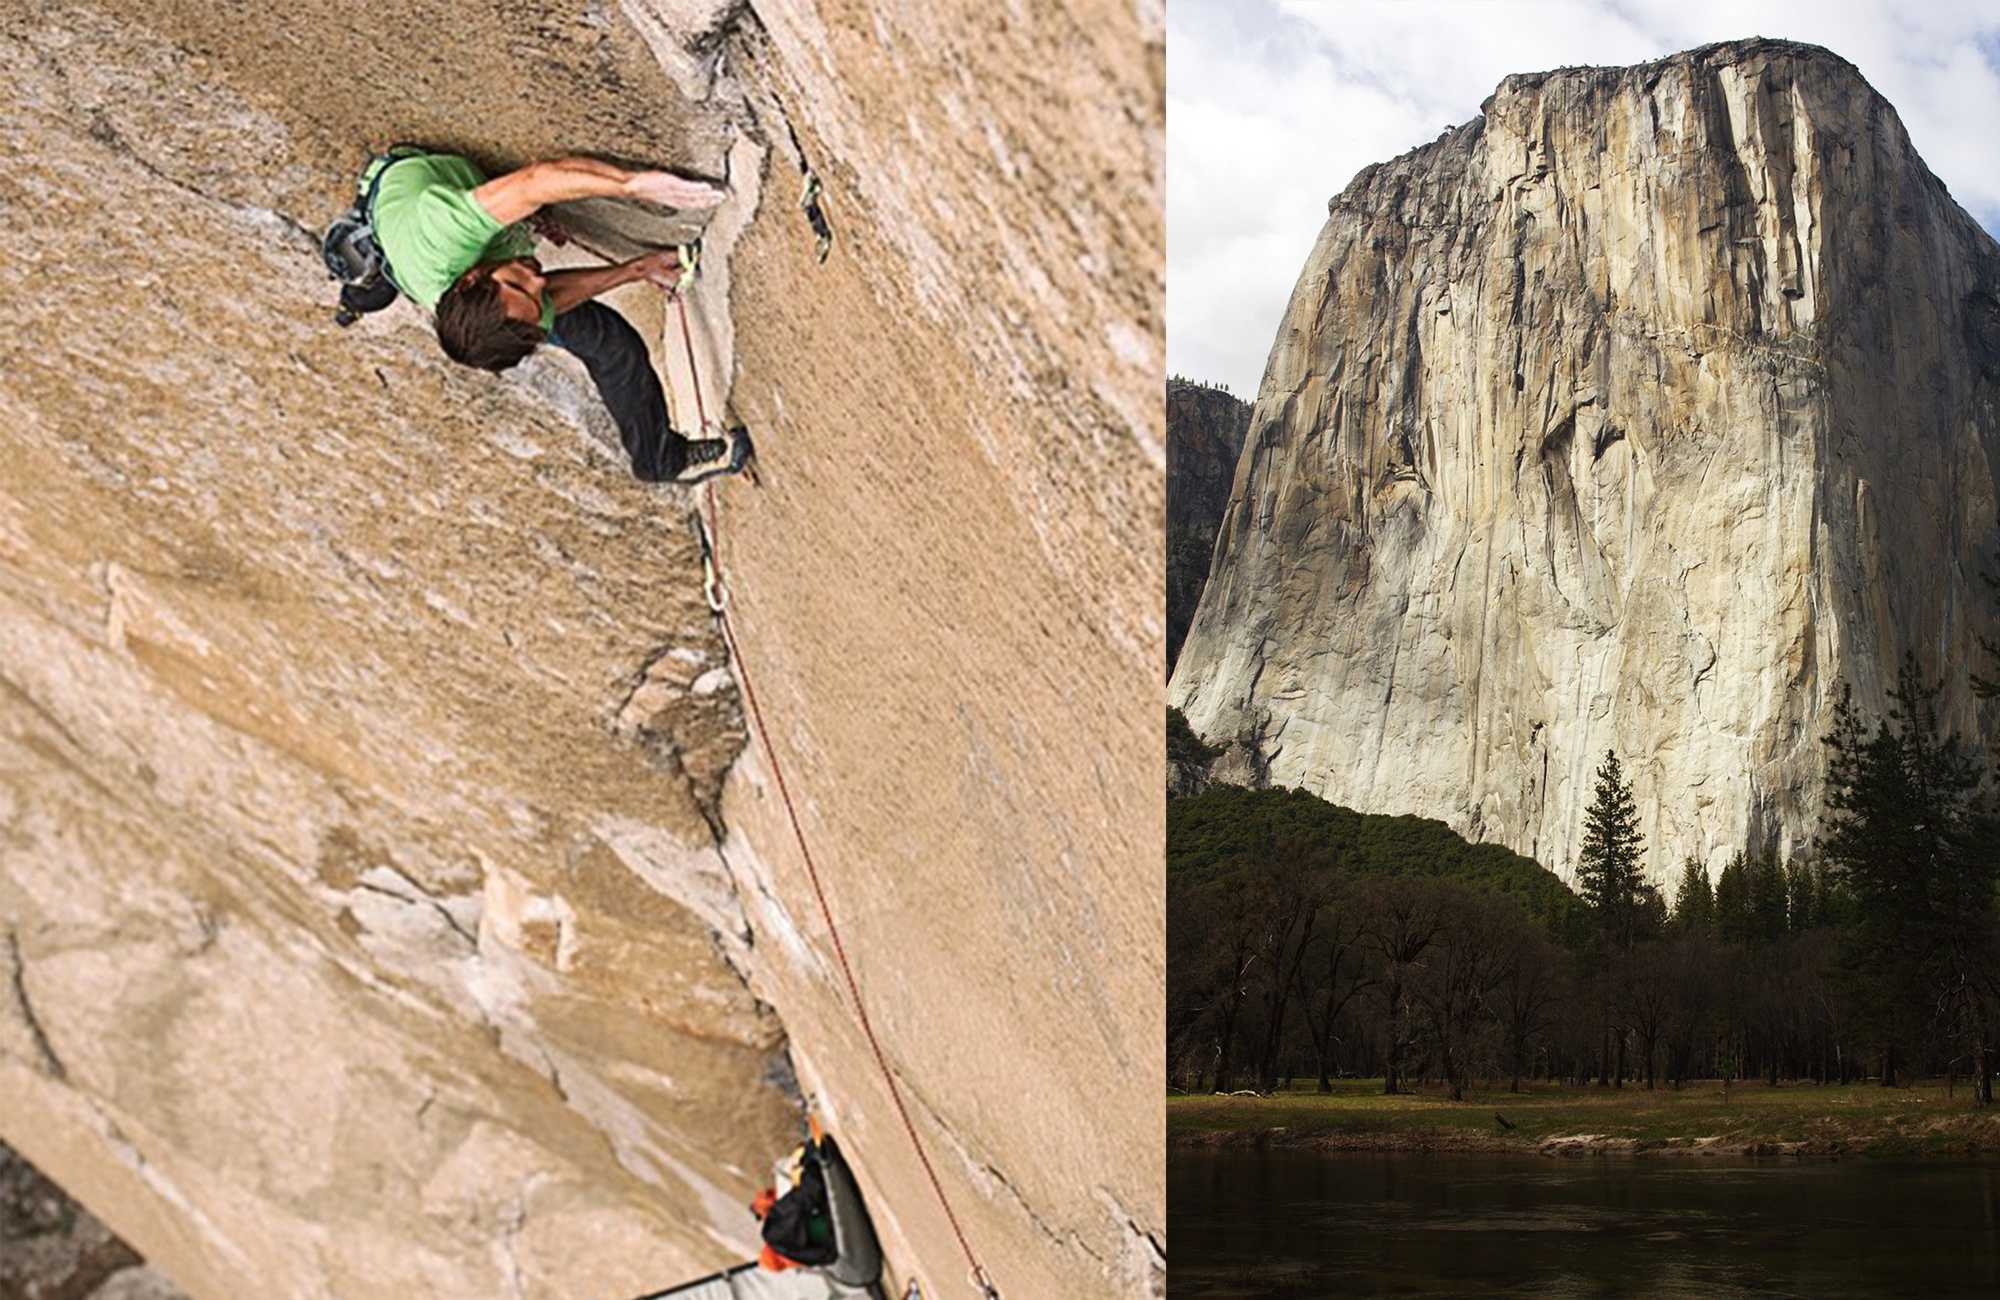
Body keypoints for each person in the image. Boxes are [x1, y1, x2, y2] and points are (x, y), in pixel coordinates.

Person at [363, 147, 747, 483]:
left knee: (592, 328)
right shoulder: (497, 310)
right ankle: (662, 460)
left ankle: (366, 281)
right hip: (423, 263)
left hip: (399, 194)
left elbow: (535, 181)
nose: (537, 278)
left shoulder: (443, 233)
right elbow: (548, 296)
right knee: (612, 341)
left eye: (520, 286)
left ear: (471, 279)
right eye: (534, 299)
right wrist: (635, 269)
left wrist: (632, 185)